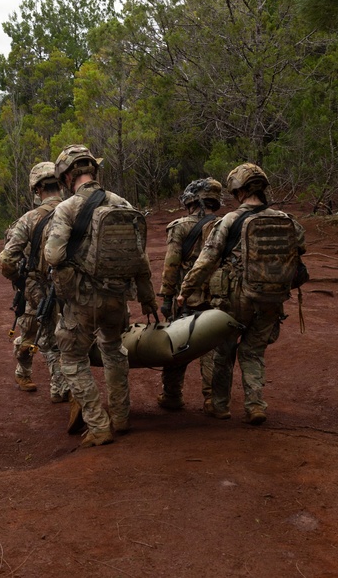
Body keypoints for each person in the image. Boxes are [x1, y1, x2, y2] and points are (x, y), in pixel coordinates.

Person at [44, 144, 158, 448]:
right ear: (93, 170)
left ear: (68, 177)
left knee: (71, 357)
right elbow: (141, 258)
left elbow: (54, 255)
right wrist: (147, 298)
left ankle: (98, 423)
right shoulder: (122, 204)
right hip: (116, 297)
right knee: (113, 350)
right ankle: (121, 417)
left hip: (81, 300)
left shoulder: (66, 209)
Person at [177, 163, 305, 425]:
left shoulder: (230, 220)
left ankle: (221, 406)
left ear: (238, 191)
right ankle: (255, 405)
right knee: (253, 351)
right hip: (272, 298)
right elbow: (300, 246)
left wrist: (185, 290)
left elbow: (207, 259)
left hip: (235, 298)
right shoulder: (286, 219)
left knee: (224, 351)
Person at [0, 162, 70, 402]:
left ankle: (60, 386)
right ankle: (24, 372)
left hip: (38, 286)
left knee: (47, 338)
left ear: (37, 190)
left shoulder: (28, 219)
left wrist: (22, 281)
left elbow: (7, 259)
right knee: (34, 334)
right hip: (57, 289)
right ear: (62, 184)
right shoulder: (78, 213)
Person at [156, 177, 223, 412]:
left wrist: (166, 297)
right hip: (218, 299)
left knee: (177, 345)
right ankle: (213, 399)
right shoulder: (227, 225)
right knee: (213, 349)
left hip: (187, 299)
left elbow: (171, 264)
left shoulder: (180, 226)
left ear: (192, 201)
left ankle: (172, 395)